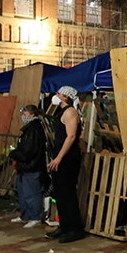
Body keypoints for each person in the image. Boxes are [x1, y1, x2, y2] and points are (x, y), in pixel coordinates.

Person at [46, 85, 86, 243]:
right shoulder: (62, 111)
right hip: (60, 156)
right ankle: (64, 225)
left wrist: (59, 158)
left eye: (59, 93)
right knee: (60, 193)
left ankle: (75, 228)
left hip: (67, 158)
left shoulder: (70, 112)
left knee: (67, 193)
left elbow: (71, 136)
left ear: (65, 96)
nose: (55, 95)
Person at [8, 105, 47, 228]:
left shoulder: (34, 129)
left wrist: (14, 154)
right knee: (23, 193)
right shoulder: (29, 129)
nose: (23, 117)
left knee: (32, 194)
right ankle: (25, 215)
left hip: (31, 166)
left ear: (31, 115)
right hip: (25, 166)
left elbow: (28, 151)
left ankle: (35, 217)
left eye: (25, 114)